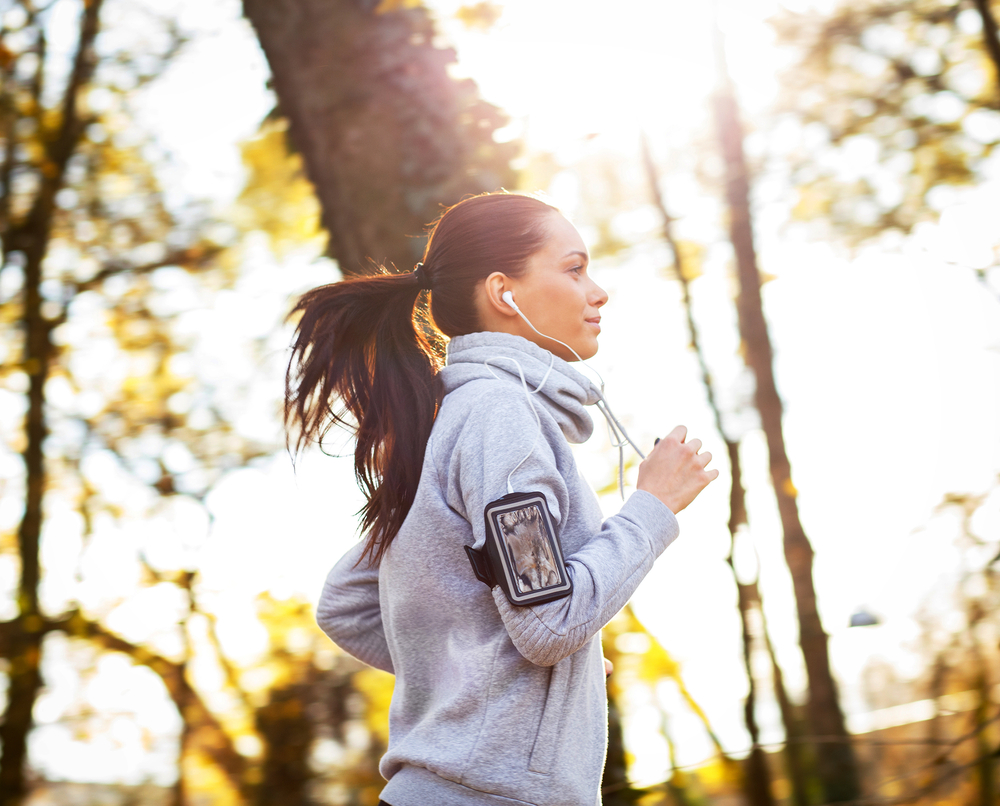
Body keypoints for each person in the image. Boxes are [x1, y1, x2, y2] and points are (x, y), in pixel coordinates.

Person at [285, 192, 718, 806]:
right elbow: (547, 623)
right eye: (573, 269)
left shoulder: (457, 418)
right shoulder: (499, 418)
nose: (598, 292)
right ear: (503, 293)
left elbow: (346, 600)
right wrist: (654, 505)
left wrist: (521, 683)